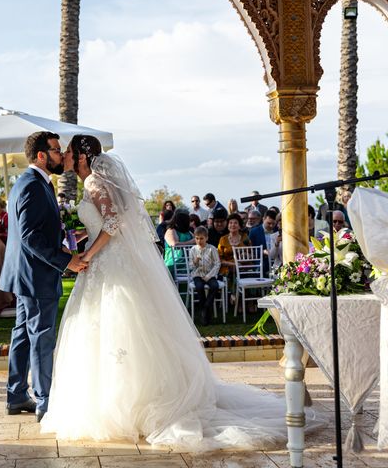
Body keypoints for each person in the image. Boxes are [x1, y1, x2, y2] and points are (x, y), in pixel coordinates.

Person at [39, 135, 322, 448]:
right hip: (109, 264)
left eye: (67, 150)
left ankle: (132, 407)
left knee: (118, 330)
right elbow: (105, 223)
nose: (63, 155)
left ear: (80, 155)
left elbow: (113, 223)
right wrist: (80, 241)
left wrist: (87, 255)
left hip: (109, 264)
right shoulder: (91, 183)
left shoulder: (93, 182)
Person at [0, 131, 87, 423]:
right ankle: (45, 401)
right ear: (41, 155)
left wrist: (63, 243)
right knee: (41, 337)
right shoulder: (34, 186)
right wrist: (66, 260)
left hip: (26, 274)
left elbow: (38, 231)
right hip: (35, 275)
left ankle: (16, 395)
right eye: (56, 150)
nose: (61, 155)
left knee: (23, 334)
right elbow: (29, 236)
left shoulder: (31, 183)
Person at [189, 226, 221, 326]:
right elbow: (190, 266)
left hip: (209, 274)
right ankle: (204, 313)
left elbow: (217, 263)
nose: (199, 241)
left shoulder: (212, 249)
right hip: (197, 274)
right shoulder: (193, 250)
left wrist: (209, 276)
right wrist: (195, 261)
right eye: (197, 238)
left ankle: (206, 306)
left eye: (201, 238)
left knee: (215, 286)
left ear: (206, 238)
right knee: (199, 286)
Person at [218, 213, 251, 304]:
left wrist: (246, 255)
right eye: (230, 223)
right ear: (228, 225)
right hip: (227, 266)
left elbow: (251, 253)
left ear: (239, 226)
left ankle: (241, 299)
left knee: (244, 271)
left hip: (243, 266)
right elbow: (220, 259)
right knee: (233, 269)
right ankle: (236, 297)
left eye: (235, 223)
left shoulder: (245, 237)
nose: (233, 225)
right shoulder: (223, 239)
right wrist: (233, 264)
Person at [163, 209, 194, 279]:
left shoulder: (189, 232)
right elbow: (174, 245)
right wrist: (191, 242)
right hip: (175, 261)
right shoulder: (171, 230)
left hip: (189, 262)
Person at [248, 209, 278, 276]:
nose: (271, 226)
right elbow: (250, 250)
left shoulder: (277, 231)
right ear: (263, 219)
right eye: (269, 223)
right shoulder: (254, 231)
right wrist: (262, 252)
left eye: (273, 224)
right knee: (261, 266)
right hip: (261, 260)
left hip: (276, 259)